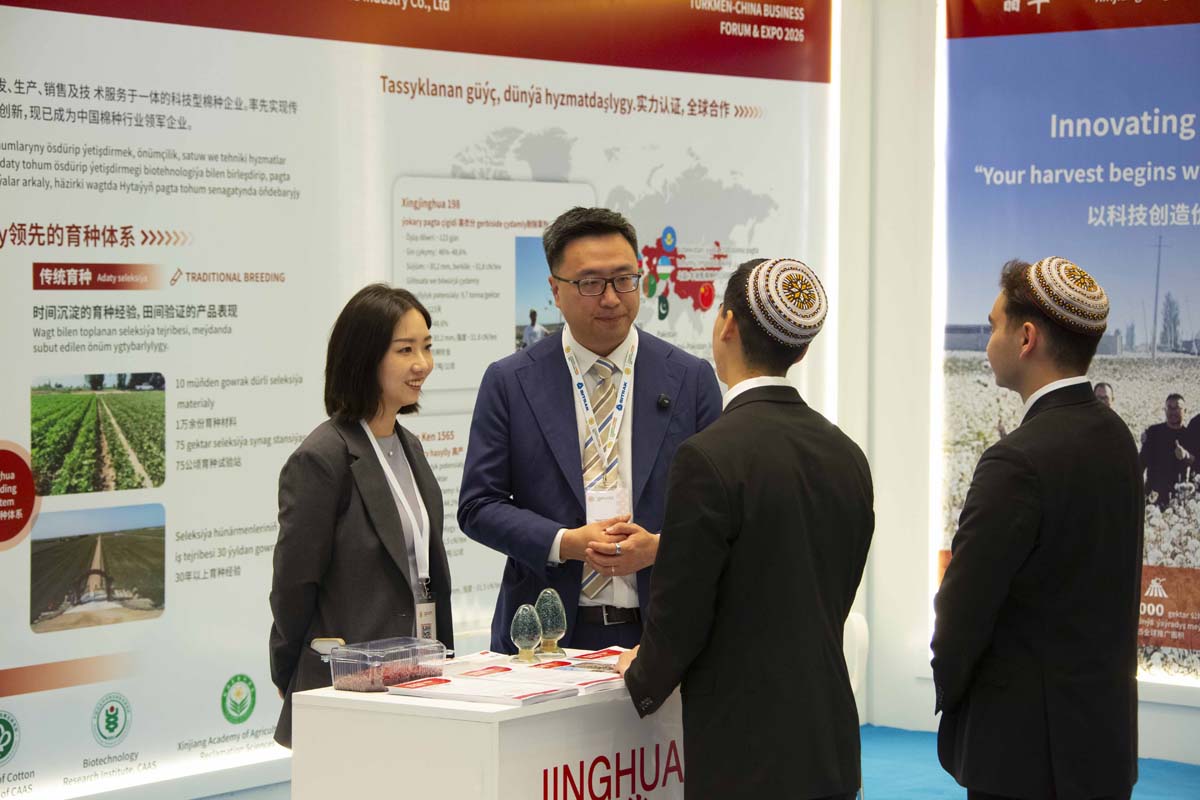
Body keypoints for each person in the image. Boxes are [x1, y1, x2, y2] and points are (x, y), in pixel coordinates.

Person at [617, 258, 874, 800]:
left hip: (744, 746)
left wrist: (642, 676)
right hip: (828, 736)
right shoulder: (846, 453)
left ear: (727, 325)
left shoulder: (707, 456)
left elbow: (683, 607)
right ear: (802, 350)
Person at [458, 207, 722, 652]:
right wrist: (564, 543)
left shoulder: (689, 378)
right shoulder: (510, 381)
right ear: (555, 291)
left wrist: (661, 547)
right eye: (591, 283)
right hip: (546, 638)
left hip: (662, 634)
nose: (612, 298)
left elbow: (720, 511)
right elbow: (478, 505)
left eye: (624, 279)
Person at [932, 257, 1142, 800]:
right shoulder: (1117, 436)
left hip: (1023, 754)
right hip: (1103, 742)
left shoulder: (1017, 459)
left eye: (993, 326)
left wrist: (950, 686)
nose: (987, 344)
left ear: (1026, 338)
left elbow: (963, 606)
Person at [268, 284, 454, 748]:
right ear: (364, 357)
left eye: (427, 347)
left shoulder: (409, 446)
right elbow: (294, 584)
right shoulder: (322, 457)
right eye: (405, 350)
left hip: (417, 676)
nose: (422, 364)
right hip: (350, 683)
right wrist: (288, 670)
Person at [1140, 393, 1193, 508]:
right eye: (1169, 408)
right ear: (1164, 410)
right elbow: (1141, 462)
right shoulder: (1153, 432)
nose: (1173, 412)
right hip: (1152, 495)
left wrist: (1185, 455)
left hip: (1180, 499)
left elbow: (1195, 462)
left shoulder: (1190, 435)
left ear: (1185, 411)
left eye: (1177, 408)